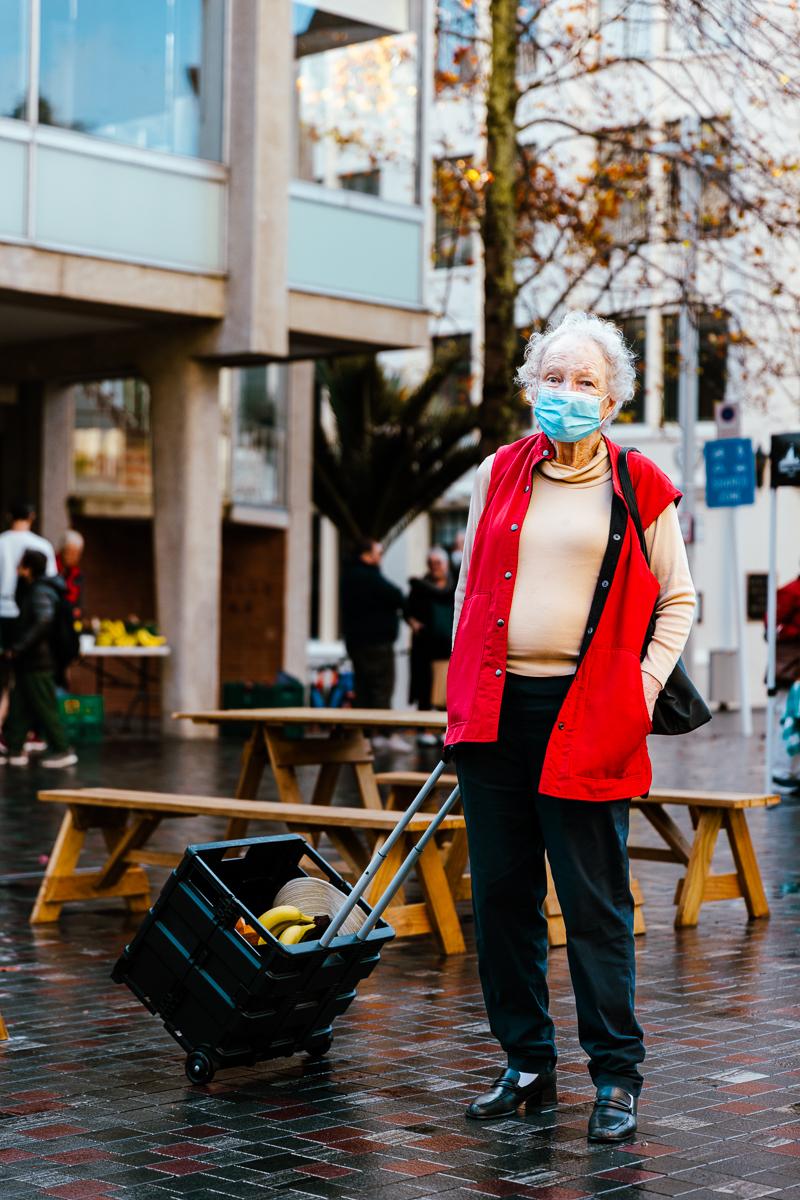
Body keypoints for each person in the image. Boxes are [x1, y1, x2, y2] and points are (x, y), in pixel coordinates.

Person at [446, 312, 696, 1142]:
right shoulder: (498, 474)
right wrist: (462, 680)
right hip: (495, 713)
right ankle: (525, 1063)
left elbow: (677, 599)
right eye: (553, 379)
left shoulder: (639, 484)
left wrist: (640, 687)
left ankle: (617, 1078)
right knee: (503, 897)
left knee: (592, 904)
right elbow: (470, 590)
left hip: (588, 714)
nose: (566, 395)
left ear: (614, 398)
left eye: (585, 381)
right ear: (531, 388)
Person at [0, 549, 77, 769]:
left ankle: (62, 748)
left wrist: (20, 646)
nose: (17, 570)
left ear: (28, 568)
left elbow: (43, 620)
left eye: (21, 565)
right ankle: (14, 748)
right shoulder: (36, 589)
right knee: (20, 704)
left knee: (44, 705)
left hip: (38, 660)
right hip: (31, 659)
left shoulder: (40, 591)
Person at [340, 538, 410, 752]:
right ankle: (386, 733)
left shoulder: (349, 575)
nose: (380, 557)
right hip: (376, 643)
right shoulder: (369, 577)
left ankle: (367, 734)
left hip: (356, 643)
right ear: (367, 555)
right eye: (378, 553)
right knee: (381, 687)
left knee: (363, 687)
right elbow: (396, 595)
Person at [0, 500, 57, 742]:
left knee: (6, 680)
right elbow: (51, 582)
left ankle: (11, 734)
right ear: (32, 517)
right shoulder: (42, 545)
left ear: (8, 516)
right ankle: (26, 734)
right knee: (25, 678)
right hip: (27, 619)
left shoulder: (1, 543)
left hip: (3, 614)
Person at [407, 547, 456, 744]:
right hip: (425, 648)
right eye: (432, 563)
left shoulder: (456, 585)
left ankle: (446, 730)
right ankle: (425, 731)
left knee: (447, 691)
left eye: (439, 563)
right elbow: (407, 610)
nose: (435, 567)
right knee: (425, 688)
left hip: (448, 648)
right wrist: (413, 623)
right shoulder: (419, 588)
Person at [771, 568, 800, 790]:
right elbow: (772, 627)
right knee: (787, 719)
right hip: (789, 671)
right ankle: (783, 772)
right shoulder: (791, 592)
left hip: (791, 670)